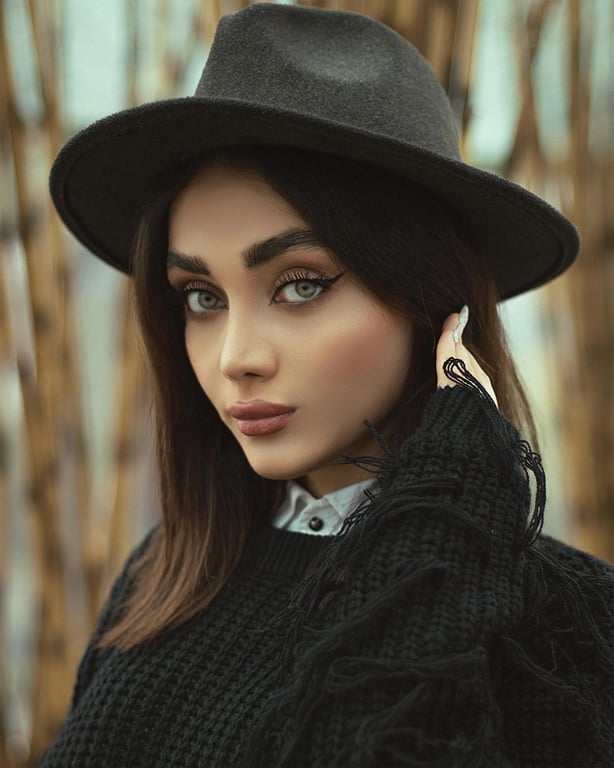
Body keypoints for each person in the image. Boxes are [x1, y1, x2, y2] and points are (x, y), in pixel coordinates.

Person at [42, 4, 613, 767]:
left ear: (433, 301)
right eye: (202, 298)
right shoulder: (165, 576)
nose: (236, 357)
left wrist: (453, 506)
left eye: (301, 285)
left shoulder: (570, 621)